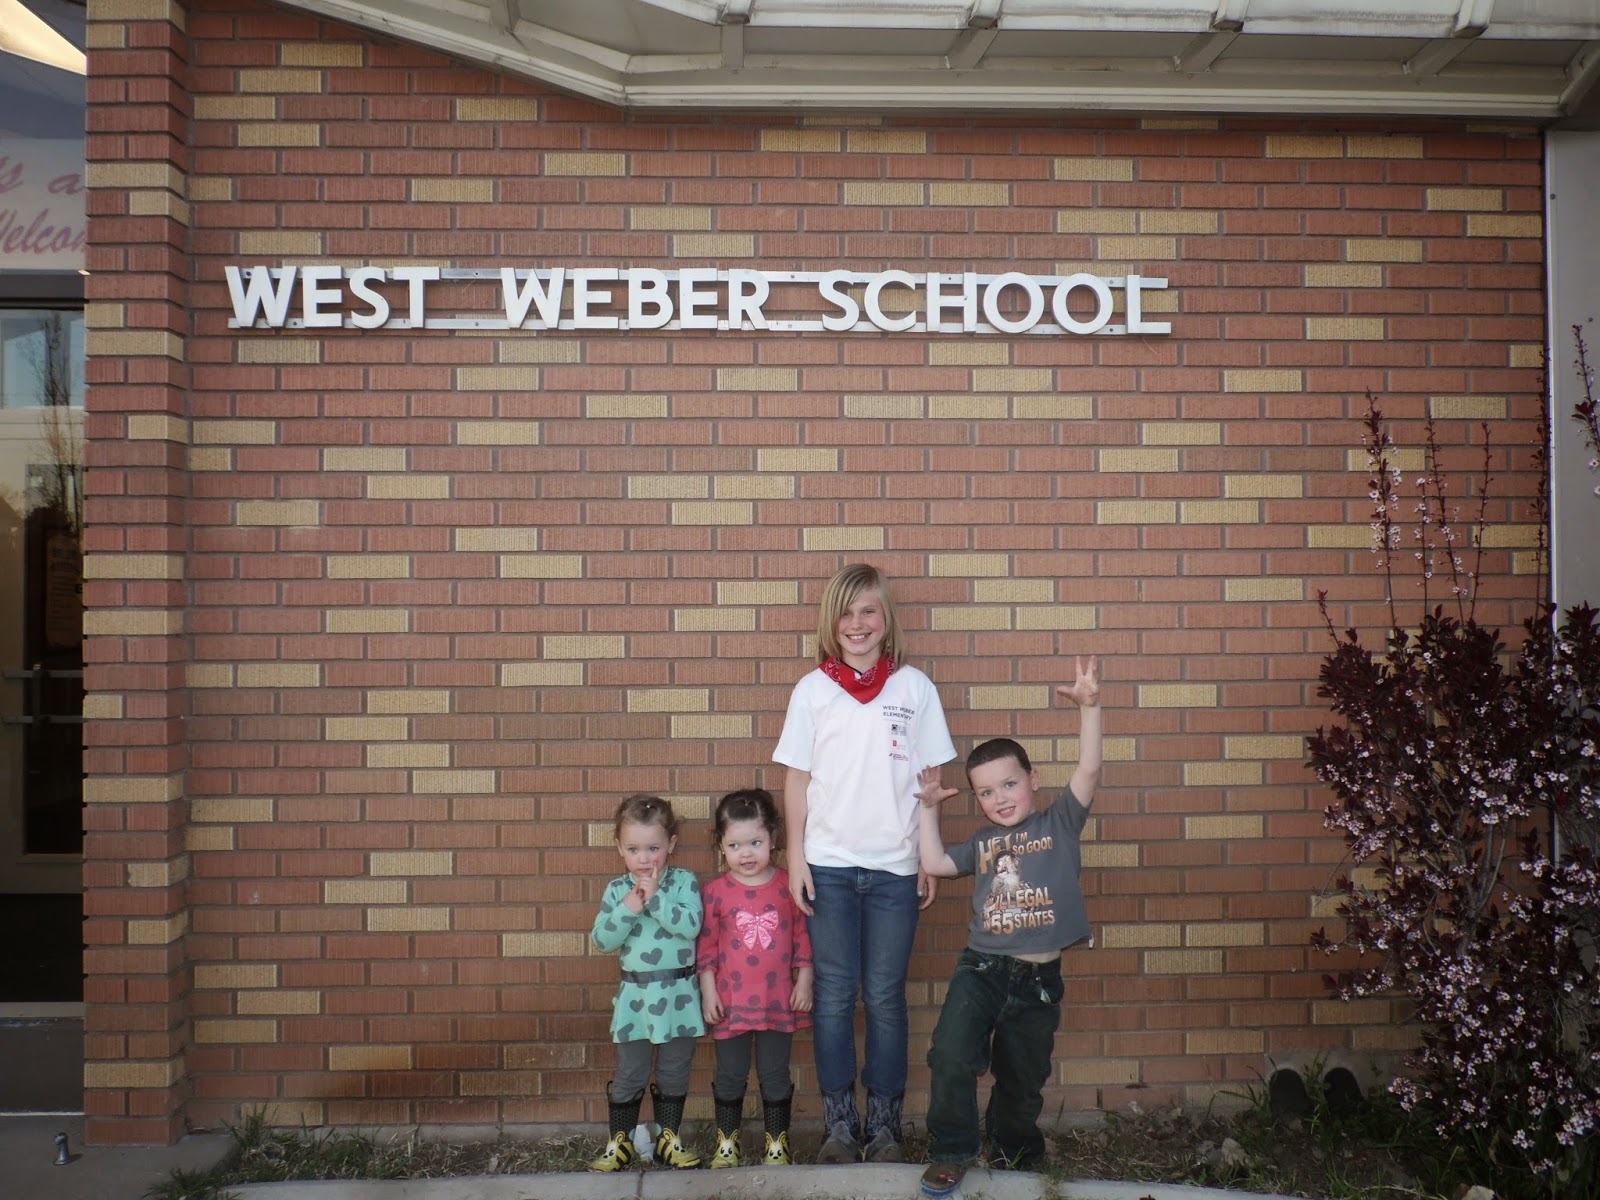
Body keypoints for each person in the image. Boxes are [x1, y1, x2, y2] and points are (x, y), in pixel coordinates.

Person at [773, 562, 957, 1164]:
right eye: (847, 613)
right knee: (832, 997)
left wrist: (928, 854)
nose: (858, 624)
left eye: (869, 612)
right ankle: (838, 1127)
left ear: (886, 620)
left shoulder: (914, 688)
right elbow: (796, 781)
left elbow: (931, 779)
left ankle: (884, 1128)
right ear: (833, 622)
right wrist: (796, 857)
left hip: (895, 870)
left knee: (883, 996)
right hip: (827, 865)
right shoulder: (813, 690)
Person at [914, 656, 1103, 1197]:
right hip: (982, 969)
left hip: (1038, 980)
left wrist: (1090, 708)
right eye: (987, 792)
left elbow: (1088, 770)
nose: (999, 799)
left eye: (1009, 785)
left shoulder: (1060, 822)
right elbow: (935, 865)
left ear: (1033, 781)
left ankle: (1016, 1152)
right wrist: (928, 811)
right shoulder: (981, 842)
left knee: (1022, 1079)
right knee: (951, 1053)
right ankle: (951, 1149)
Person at [696, 788, 814, 1168]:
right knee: (730, 1074)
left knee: (775, 1073)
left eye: (755, 842)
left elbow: (801, 936)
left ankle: (777, 1144)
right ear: (721, 845)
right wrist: (708, 991)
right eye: (735, 844)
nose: (746, 853)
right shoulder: (714, 893)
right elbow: (708, 949)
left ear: (773, 839)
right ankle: (726, 1143)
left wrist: (805, 980)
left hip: (778, 998)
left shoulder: (786, 885)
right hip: (730, 1002)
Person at [588, 794, 705, 1172]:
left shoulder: (684, 882)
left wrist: (655, 901)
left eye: (653, 848)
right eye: (634, 849)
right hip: (635, 998)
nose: (644, 858)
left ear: (671, 843)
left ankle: (667, 1139)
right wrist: (630, 907)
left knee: (674, 1070)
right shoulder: (616, 890)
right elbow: (603, 940)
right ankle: (619, 1141)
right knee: (632, 1072)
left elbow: (691, 926)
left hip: (679, 996)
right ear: (619, 847)